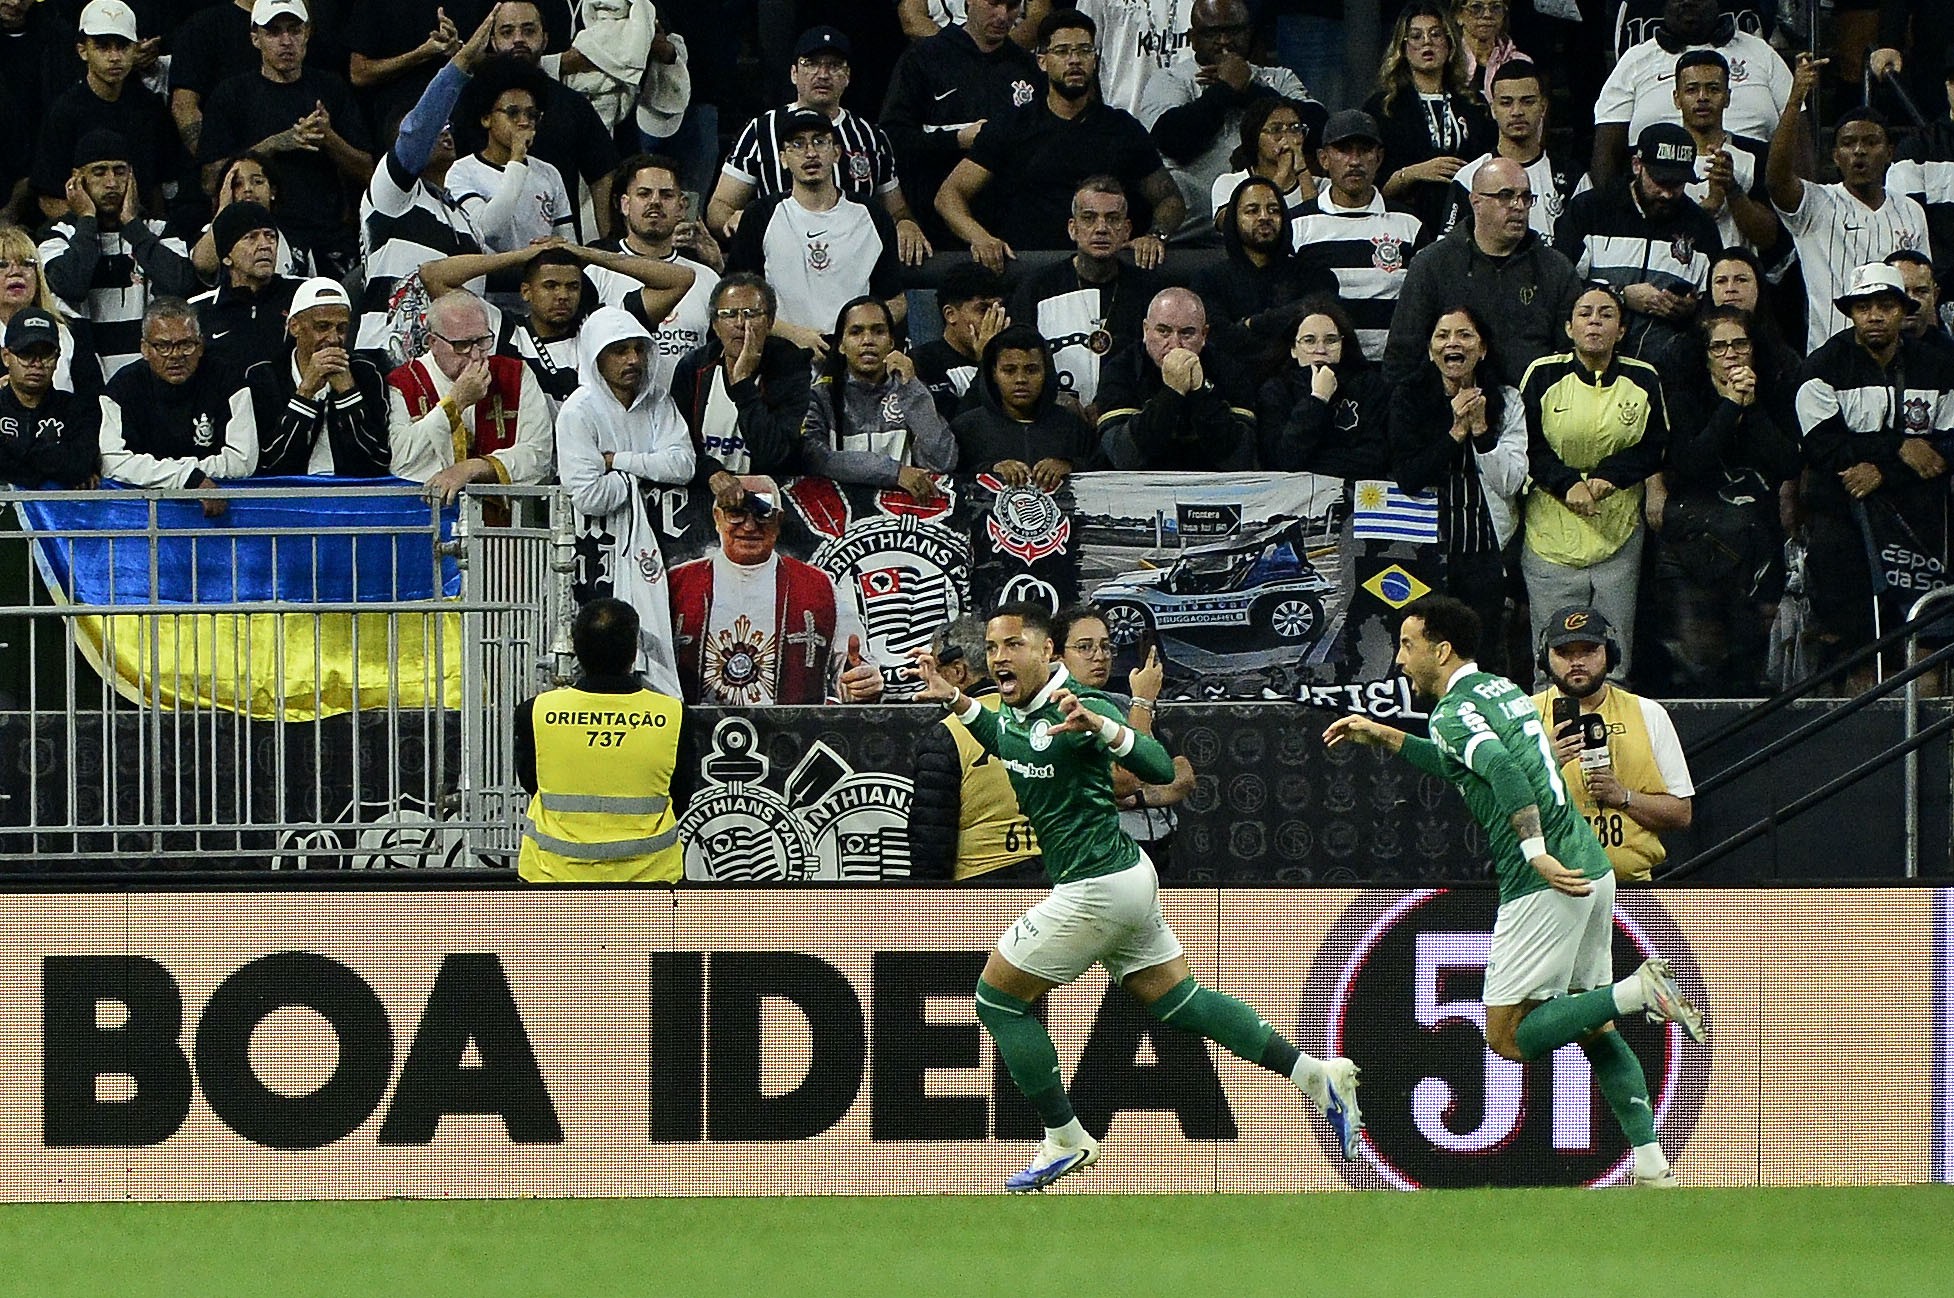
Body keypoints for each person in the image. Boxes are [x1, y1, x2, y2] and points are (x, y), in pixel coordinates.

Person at [909, 603, 1362, 1192]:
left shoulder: (1083, 708)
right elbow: (999, 734)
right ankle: (1315, 1076)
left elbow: (1154, 767)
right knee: (1179, 999)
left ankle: (1065, 1138)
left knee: (996, 1000)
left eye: (1013, 644)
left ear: (1046, 653)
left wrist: (1106, 728)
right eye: (992, 648)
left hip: (1096, 886)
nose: (999, 657)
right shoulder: (1019, 712)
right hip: (1123, 878)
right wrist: (956, 700)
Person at [1322, 595, 1703, 1189]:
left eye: (1407, 644)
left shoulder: (1454, 713)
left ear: (1440, 650)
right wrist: (1387, 737)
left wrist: (1533, 852)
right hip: (1592, 867)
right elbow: (1462, 765)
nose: (1400, 659)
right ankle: (1653, 1165)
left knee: (1506, 1036)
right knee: (1591, 1024)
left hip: (1545, 879)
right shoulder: (1499, 691)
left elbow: (1499, 770)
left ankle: (1638, 989)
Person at [1794, 262, 1954, 683]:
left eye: (1886, 305)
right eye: (1864, 306)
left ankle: (1926, 746)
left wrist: (1882, 471)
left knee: (1927, 648)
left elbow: (1946, 449)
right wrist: (1898, 447)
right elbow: (1823, 445)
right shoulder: (1820, 368)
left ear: (1904, 310)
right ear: (1851, 313)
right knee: (1859, 654)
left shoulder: (1938, 367)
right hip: (1844, 526)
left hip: (1920, 528)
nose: (1876, 315)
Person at [935, 9, 1183, 270]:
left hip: (1107, 277)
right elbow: (949, 195)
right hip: (1029, 276)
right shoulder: (1012, 126)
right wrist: (981, 238)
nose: (1074, 60)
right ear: (1042, 61)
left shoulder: (1123, 129)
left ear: (1095, 60)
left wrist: (1155, 236)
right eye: (1063, 51)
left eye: (1084, 51)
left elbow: (1171, 199)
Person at [1644, 303, 1800, 695]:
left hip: (1757, 533)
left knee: (1749, 654)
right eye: (1719, 347)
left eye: (1739, 345)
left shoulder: (1772, 393)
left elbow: (1787, 461)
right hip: (1696, 529)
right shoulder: (1685, 398)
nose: (1730, 354)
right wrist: (1730, 407)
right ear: (1705, 354)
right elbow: (1690, 462)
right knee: (1699, 652)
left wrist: (1753, 407)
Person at [1519, 283, 1668, 680]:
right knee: (1552, 659)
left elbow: (1656, 446)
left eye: (1606, 314)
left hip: (1618, 529)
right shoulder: (1542, 374)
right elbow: (1525, 443)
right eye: (1585, 314)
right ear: (1569, 327)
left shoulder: (1644, 379)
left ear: (1621, 330)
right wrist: (1566, 483)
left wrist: (1607, 479)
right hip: (1551, 530)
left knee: (1613, 658)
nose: (1595, 322)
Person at [709, 26, 928, 266]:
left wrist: (906, 223)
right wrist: (734, 219)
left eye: (834, 65)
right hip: (781, 262)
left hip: (855, 264)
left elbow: (896, 209)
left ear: (847, 77)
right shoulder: (761, 130)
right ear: (793, 73)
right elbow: (719, 206)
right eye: (811, 63)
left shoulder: (870, 136)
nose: (823, 74)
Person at [514, 597, 694, 884]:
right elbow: (681, 794)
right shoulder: (673, 715)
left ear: (575, 648)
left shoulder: (536, 712)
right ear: (634, 651)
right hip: (650, 883)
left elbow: (531, 782)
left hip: (552, 880)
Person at [353, 9, 496, 360]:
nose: (442, 128)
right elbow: (418, 129)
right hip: (388, 362)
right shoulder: (390, 194)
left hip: (454, 366)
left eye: (446, 124)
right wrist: (461, 63)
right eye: (434, 125)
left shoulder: (465, 217)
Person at [1388, 304, 1527, 661]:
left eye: (1465, 335)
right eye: (1443, 335)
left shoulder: (1508, 400)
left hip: (1486, 546)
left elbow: (1510, 482)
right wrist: (1455, 433)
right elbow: (1409, 476)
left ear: (1482, 349)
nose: (1454, 343)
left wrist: (1481, 431)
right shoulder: (1409, 397)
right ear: (1431, 350)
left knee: (1481, 651)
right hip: (1427, 545)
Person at [1769, 53, 1933, 355]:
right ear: (1834, 156)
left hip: (1898, 358)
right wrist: (1794, 101)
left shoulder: (1911, 210)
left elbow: (1922, 290)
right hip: (1831, 361)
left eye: (1871, 143)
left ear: (1889, 153)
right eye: (1847, 143)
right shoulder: (1816, 203)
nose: (1859, 151)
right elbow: (1776, 181)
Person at [668, 476, 885, 706]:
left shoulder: (819, 586)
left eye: (762, 513)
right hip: (695, 734)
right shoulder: (675, 584)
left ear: (779, 520)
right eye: (736, 513)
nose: (749, 526)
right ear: (717, 518)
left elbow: (854, 669)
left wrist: (862, 680)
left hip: (791, 737)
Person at [197, 1, 374, 274]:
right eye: (274, 32)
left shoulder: (331, 89)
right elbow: (211, 181)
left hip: (329, 237)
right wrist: (271, 146)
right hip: (260, 237)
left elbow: (367, 171)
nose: (286, 41)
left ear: (308, 33)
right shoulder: (232, 95)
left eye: (294, 30)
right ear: (255, 38)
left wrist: (328, 137)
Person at [1384, 155, 1582, 389]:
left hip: (1535, 413)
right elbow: (1403, 356)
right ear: (1475, 201)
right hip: (1448, 413)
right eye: (1505, 196)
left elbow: (1571, 357)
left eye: (1526, 197)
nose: (1518, 206)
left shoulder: (1557, 270)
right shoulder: (1431, 265)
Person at [1532, 606, 1695, 884]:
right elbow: (1496, 812)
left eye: (1588, 650)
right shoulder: (1524, 716)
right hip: (1548, 890)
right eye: (1564, 653)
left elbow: (1681, 813)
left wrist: (1623, 796)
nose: (1577, 662)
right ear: (1544, 659)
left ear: (1611, 654)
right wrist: (1544, 766)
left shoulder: (1649, 714)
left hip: (1632, 889)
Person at [726, 108, 906, 350]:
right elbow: (739, 299)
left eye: (819, 142)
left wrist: (856, 336)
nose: (810, 153)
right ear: (783, 158)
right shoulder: (760, 215)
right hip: (781, 356)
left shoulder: (872, 215)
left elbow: (895, 300)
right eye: (797, 145)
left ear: (836, 152)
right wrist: (793, 335)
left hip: (852, 360)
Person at [1555, 123, 1719, 371]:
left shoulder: (1701, 227)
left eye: (1677, 184)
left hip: (1666, 371)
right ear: (1636, 166)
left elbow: (1714, 306)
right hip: (1586, 366)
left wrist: (1690, 311)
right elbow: (1559, 288)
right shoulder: (1590, 210)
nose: (1666, 194)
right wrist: (1619, 294)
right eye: (1659, 181)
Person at [879, 0, 1042, 249]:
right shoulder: (924, 58)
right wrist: (957, 139)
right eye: (993, 3)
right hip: (935, 239)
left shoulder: (1026, 67)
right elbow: (892, 140)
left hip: (1010, 239)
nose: (1002, 16)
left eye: (1011, 6)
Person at [38, 129, 199, 379]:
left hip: (148, 381)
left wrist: (132, 224)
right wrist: (87, 219)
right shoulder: (58, 234)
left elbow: (180, 284)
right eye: (99, 172)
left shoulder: (157, 230)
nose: (112, 183)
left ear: (132, 177)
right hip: (84, 380)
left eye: (120, 171)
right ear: (77, 180)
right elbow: (71, 285)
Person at [1140, 0, 1308, 237]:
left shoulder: (1278, 78)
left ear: (1249, 33)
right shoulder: (1170, 79)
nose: (1224, 41)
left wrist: (1249, 89)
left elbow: (1318, 129)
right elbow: (1172, 141)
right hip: (1193, 234)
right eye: (1212, 32)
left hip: (1271, 230)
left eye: (1234, 31)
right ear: (1193, 38)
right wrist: (1226, 90)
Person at [906, 612, 1046, 883]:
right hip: (1056, 881)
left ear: (958, 671)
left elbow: (931, 844)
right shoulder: (1047, 719)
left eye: (937, 670)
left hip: (980, 887)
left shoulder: (947, 735)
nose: (929, 679)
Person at [1590, 0, 1791, 185]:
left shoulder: (1762, 53)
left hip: (1756, 190)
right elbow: (1606, 153)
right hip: (1661, 196)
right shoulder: (1635, 60)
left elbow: (1798, 136)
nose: (1687, 2)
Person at [1010, 176, 1162, 415]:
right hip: (1053, 421)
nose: (1101, 228)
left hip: (1127, 422)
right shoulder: (1037, 288)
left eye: (1112, 219)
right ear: (1073, 228)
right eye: (1089, 218)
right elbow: (1017, 359)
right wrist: (1052, 398)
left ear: (1126, 230)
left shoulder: (1149, 292)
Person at [385, 289, 552, 504]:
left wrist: (472, 469)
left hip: (502, 529)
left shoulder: (516, 374)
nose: (475, 356)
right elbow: (401, 463)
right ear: (432, 342)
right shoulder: (403, 382)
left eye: (482, 341)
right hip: (429, 520)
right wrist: (455, 402)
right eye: (461, 345)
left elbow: (539, 456)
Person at [1054, 604, 1195, 856]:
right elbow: (1126, 780)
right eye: (1085, 647)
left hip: (1161, 842)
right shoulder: (1063, 711)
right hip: (1106, 850)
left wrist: (1138, 799)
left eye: (1106, 646)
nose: (1100, 656)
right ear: (1057, 657)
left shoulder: (1119, 702)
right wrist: (1142, 701)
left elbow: (1183, 777)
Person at [1291, 110, 1429, 362]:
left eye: (1364, 150)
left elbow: (1425, 303)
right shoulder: (1296, 224)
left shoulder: (1410, 224)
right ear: (1323, 158)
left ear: (1379, 158)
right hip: (1320, 370)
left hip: (1392, 372)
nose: (1354, 161)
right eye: (1343, 150)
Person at [97, 298, 259, 511]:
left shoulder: (228, 380)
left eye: (186, 344)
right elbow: (111, 461)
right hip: (143, 519)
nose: (175, 355)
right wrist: (189, 478)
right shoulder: (122, 387)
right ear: (144, 349)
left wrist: (174, 474)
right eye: (163, 346)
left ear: (200, 346)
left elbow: (243, 461)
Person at [30, 0, 178, 222]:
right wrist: (93, 228)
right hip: (81, 234)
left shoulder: (150, 108)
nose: (114, 57)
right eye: (103, 46)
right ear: (83, 51)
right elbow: (48, 197)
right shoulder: (64, 112)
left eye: (122, 46)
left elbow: (158, 186)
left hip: (140, 231)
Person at [482, 1, 620, 233]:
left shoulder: (574, 105)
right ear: (493, 42)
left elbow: (603, 176)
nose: (518, 39)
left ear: (545, 39)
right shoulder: (473, 102)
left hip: (556, 249)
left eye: (528, 30)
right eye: (507, 32)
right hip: (485, 246)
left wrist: (610, 247)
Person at [801, 296, 956, 494]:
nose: (868, 340)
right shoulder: (820, 397)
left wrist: (912, 389)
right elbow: (815, 459)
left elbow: (943, 461)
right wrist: (894, 472)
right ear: (841, 345)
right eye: (856, 332)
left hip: (904, 513)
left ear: (891, 342)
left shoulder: (912, 392)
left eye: (878, 331)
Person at [670, 273, 812, 491]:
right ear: (715, 325)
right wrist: (710, 472)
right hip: (704, 490)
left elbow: (776, 455)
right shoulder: (692, 367)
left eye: (751, 314)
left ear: (770, 322)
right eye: (728, 314)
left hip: (771, 493)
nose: (740, 324)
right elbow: (676, 445)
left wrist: (743, 383)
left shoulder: (791, 366)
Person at [1364, 2, 1494, 237]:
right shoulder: (1384, 107)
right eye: (1416, 36)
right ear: (1403, 48)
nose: (1427, 42)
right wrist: (1414, 172)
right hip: (1402, 223)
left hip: (1468, 224)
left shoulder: (1474, 105)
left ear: (1449, 43)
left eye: (1435, 34)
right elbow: (1370, 186)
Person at [245, 275, 392, 477]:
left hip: (353, 497)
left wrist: (348, 395)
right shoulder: (264, 376)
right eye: (322, 327)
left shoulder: (365, 372)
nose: (333, 339)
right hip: (286, 500)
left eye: (341, 329)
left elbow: (377, 461)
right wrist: (305, 394)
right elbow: (271, 464)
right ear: (294, 326)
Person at [1097, 286, 1257, 471]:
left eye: (1186, 333)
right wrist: (1171, 393)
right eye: (1163, 331)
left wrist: (1200, 392)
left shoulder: (1230, 371)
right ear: (1146, 330)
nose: (1175, 344)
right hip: (1139, 490)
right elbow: (1124, 457)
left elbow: (1239, 459)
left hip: (1211, 487)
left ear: (1204, 335)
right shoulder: (1121, 370)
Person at [1191, 174, 1333, 360]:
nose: (1264, 217)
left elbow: (1321, 310)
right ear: (1234, 219)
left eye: (1274, 210)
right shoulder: (1208, 280)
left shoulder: (1314, 275)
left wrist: (1254, 324)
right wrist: (1282, 334)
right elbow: (1220, 340)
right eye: (1252, 211)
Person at [444, 57, 574, 251]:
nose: (524, 122)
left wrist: (559, 246)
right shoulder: (462, 171)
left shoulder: (549, 173)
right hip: (490, 278)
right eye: (513, 113)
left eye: (532, 115)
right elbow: (486, 231)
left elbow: (568, 241)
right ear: (486, 118)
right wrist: (516, 161)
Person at [1257, 297, 1393, 479]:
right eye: (1309, 340)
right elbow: (1284, 460)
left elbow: (1376, 459)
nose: (1320, 349)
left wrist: (1310, 462)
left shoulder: (1369, 386)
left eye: (1330, 340)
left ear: (1343, 345)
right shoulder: (1275, 391)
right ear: (1293, 349)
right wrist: (1318, 399)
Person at [1449, 60, 1575, 243]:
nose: (1517, 111)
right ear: (1493, 109)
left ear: (1543, 107)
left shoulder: (1573, 179)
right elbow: (1450, 253)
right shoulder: (1468, 178)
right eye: (1506, 103)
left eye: (1528, 102)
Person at [1671, 50, 1779, 260]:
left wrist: (1733, 189)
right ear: (1677, 98)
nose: (1702, 98)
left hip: (1735, 279)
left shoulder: (1755, 154)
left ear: (1727, 97)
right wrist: (1706, 209)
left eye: (1713, 89)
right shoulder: (1661, 154)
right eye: (1692, 90)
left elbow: (1767, 237)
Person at [952, 323, 1093, 484]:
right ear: (994, 374)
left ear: (1046, 372)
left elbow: (1108, 477)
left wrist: (1071, 467)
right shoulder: (966, 429)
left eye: (1031, 370)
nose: (1021, 379)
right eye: (1009, 370)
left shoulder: (1073, 427)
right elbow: (947, 482)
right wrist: (990, 470)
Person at [186, 200, 301, 378]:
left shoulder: (301, 294)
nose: (265, 245)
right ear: (226, 257)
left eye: (270, 236)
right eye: (251, 237)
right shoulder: (197, 311)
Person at [0, 307, 101, 487]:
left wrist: (11, 446)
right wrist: (52, 463)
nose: (37, 363)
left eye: (46, 353)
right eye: (26, 353)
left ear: (57, 358)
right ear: (6, 357)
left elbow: (78, 467)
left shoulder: (78, 410)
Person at [0, 223, 100, 398]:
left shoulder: (71, 331)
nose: (15, 272)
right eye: (2, 264)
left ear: (38, 276)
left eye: (27, 263)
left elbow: (92, 402)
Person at [1203, 96, 1323, 230]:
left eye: (1295, 128)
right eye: (1276, 130)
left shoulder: (1323, 186)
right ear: (1254, 136)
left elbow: (1316, 229)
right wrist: (1281, 174)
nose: (1287, 137)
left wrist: (1301, 170)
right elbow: (1231, 228)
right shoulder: (1231, 184)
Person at [911, 261, 1008, 420]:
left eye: (999, 309)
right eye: (983, 310)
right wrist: (986, 362)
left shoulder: (1013, 359)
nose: (994, 319)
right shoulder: (922, 362)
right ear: (950, 314)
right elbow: (953, 430)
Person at [1454, 0, 1524, 99]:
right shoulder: (1448, 60)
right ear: (1458, 15)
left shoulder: (1520, 63)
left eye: (1495, 7)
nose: (1487, 14)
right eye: (1476, 7)